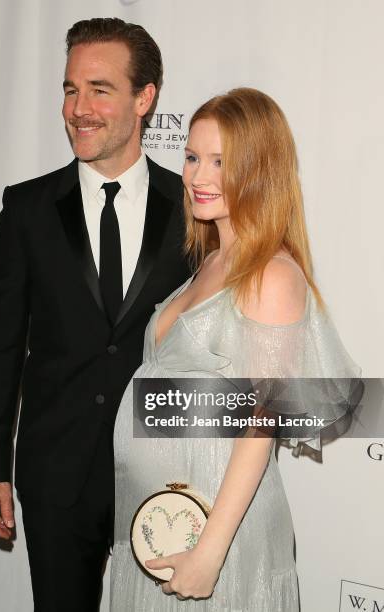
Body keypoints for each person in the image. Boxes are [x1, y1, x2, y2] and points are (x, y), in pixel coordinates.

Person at [110, 88, 360, 610]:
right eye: (193, 157)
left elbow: (260, 421)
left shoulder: (271, 272)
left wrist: (211, 549)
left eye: (221, 162)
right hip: (160, 524)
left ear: (260, 169)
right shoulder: (212, 260)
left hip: (221, 539)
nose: (199, 177)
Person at [0, 17, 190, 612]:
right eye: (70, 89)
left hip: (166, 479)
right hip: (56, 475)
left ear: (145, 99)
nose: (79, 108)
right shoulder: (26, 209)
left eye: (100, 89)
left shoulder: (193, 211)